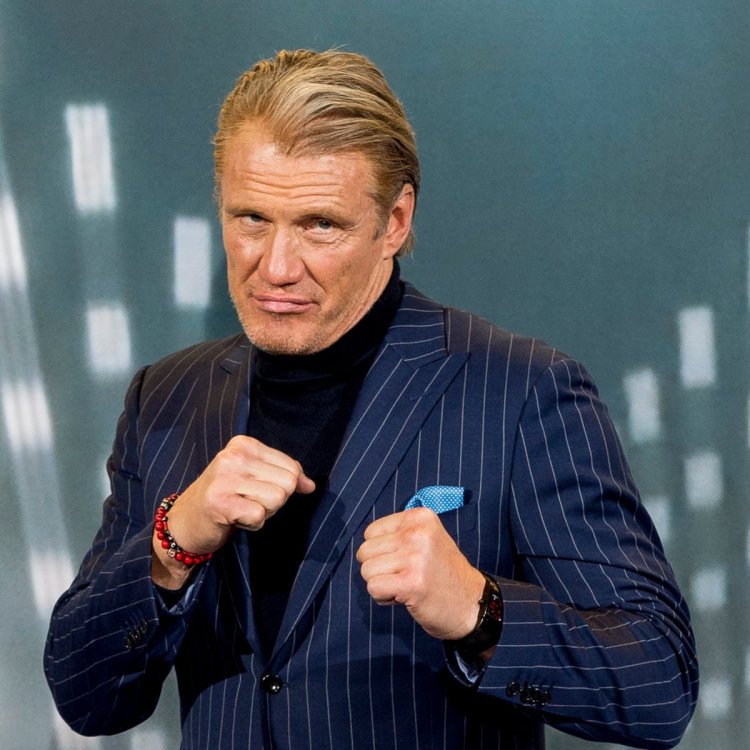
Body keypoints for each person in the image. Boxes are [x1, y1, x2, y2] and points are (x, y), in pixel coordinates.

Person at [44, 49, 698, 749]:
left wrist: (480, 612)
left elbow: (658, 687)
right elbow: (86, 697)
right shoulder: (167, 396)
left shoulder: (522, 391)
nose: (276, 267)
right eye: (252, 218)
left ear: (395, 221)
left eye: (320, 225)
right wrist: (173, 544)